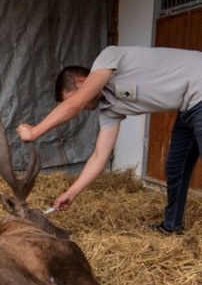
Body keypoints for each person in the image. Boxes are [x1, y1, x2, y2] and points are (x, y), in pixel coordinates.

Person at [16, 45, 202, 235]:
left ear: (81, 82)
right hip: (188, 107)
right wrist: (71, 193)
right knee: (175, 166)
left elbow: (75, 104)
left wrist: (35, 131)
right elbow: (99, 156)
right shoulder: (109, 109)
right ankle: (171, 227)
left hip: (199, 89)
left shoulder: (108, 57)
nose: (83, 109)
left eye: (73, 98)